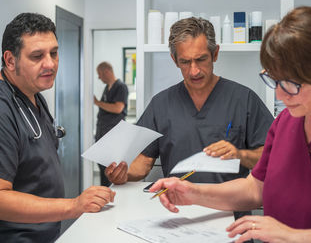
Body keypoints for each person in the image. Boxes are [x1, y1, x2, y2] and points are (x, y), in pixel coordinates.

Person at [150, 6, 311, 243]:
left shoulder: (243, 99)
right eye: (274, 80)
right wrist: (193, 193)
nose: (279, 95)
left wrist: (295, 236)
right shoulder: (286, 123)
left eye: (291, 83)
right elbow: (255, 189)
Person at [0, 13, 115, 243]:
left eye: (54, 53)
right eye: (37, 56)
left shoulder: (33, 95)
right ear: (10, 60)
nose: (50, 64)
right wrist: (74, 205)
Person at [106, 17, 273, 186]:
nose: (194, 71)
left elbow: (272, 155)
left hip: (229, 207)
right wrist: (122, 173)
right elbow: (143, 162)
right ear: (174, 60)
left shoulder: (243, 99)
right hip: (177, 206)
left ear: (215, 54)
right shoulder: (161, 104)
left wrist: (240, 155)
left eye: (201, 59)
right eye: (185, 62)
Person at [94, 61, 128, 186]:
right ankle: (104, 194)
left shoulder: (120, 87)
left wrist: (97, 102)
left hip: (112, 135)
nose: (99, 77)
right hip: (102, 133)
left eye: (99, 74)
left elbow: (118, 108)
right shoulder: (106, 88)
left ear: (106, 72)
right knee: (103, 168)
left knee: (110, 170)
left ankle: (111, 196)